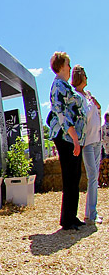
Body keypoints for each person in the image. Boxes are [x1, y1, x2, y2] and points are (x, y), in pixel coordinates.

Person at [46, 52, 85, 231]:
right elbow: (61, 114)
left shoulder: (64, 85)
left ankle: (71, 216)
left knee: (74, 176)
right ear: (61, 66)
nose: (70, 68)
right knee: (70, 176)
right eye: (68, 65)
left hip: (70, 137)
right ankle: (67, 219)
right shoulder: (59, 86)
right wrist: (75, 138)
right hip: (66, 137)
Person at [71, 65, 102, 224]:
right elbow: (84, 116)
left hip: (97, 140)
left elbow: (97, 113)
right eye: (85, 75)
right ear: (80, 77)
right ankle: (91, 214)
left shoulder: (88, 95)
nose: (87, 78)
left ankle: (91, 212)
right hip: (88, 142)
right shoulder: (78, 96)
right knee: (92, 177)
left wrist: (98, 106)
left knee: (94, 177)